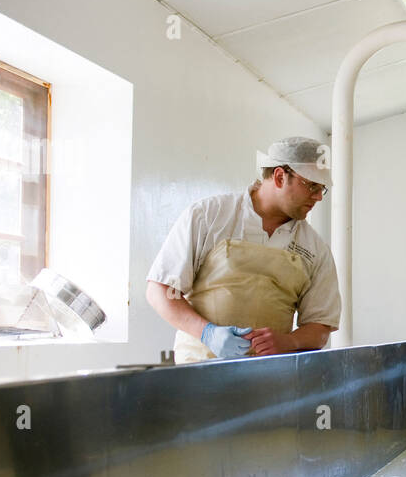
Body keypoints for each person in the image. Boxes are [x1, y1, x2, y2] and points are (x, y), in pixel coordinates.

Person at [145, 137, 340, 362]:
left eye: (321, 189)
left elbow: (320, 326)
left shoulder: (315, 248)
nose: (317, 196)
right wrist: (207, 332)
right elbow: (160, 290)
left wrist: (289, 342)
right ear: (279, 176)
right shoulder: (209, 216)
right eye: (312, 186)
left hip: (269, 379)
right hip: (197, 373)